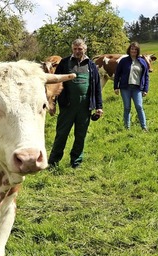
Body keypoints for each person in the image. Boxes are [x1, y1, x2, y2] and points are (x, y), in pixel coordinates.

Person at [48, 38, 103, 168]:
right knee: (61, 134)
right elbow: (56, 83)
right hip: (67, 106)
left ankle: (76, 162)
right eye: (75, 49)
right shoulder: (65, 63)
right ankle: (53, 162)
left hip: (85, 107)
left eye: (80, 49)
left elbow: (96, 87)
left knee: (80, 135)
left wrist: (99, 107)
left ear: (85, 49)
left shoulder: (91, 65)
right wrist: (52, 103)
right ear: (72, 49)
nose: (77, 51)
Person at [113, 42, 150, 131]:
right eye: (132, 49)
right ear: (129, 50)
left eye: (135, 49)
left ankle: (144, 127)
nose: (133, 51)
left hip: (137, 88)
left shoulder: (142, 61)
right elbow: (117, 74)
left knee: (139, 106)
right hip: (125, 87)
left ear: (138, 51)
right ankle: (127, 128)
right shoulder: (124, 61)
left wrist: (145, 89)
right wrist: (116, 86)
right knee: (127, 107)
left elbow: (146, 76)